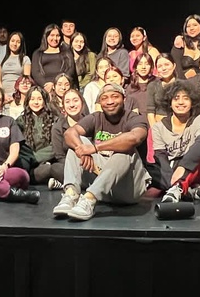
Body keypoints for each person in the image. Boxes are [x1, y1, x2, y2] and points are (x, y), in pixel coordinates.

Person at [52, 83, 150, 221]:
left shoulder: (135, 118)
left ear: (124, 99)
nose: (110, 101)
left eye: (114, 97)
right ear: (100, 102)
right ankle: (71, 194)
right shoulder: (96, 117)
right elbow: (70, 132)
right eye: (104, 98)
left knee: (124, 151)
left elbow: (134, 138)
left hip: (128, 188)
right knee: (78, 144)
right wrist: (83, 150)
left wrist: (95, 148)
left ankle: (89, 199)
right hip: (103, 185)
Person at [152, 80, 200, 203]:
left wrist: (183, 168)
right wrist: (171, 179)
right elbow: (160, 157)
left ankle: (178, 190)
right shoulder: (158, 127)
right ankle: (188, 191)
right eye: (176, 98)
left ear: (192, 102)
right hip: (172, 169)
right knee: (153, 169)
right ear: (169, 103)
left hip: (196, 168)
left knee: (196, 158)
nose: (180, 102)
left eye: (185, 98)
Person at [48, 87, 89, 190]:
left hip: (90, 164)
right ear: (63, 106)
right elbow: (59, 156)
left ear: (82, 103)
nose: (72, 105)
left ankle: (65, 184)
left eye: (75, 100)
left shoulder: (91, 121)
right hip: (69, 166)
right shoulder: (58, 127)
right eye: (67, 101)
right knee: (55, 168)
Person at [16, 85, 59, 185]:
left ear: (45, 101)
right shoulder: (21, 120)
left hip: (47, 162)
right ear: (27, 101)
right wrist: (29, 158)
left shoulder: (54, 119)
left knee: (49, 168)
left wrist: (36, 158)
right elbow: (17, 144)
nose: (36, 102)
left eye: (39, 99)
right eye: (32, 99)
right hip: (27, 162)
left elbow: (55, 146)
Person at [30, 24, 77, 92]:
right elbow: (36, 73)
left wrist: (56, 84)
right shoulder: (37, 53)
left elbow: (70, 70)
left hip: (62, 87)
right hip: (44, 89)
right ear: (46, 36)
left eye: (57, 36)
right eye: (52, 35)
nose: (55, 38)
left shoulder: (67, 52)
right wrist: (46, 85)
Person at [170, 14, 200, 79]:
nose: (191, 28)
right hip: (182, 84)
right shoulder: (180, 44)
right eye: (188, 26)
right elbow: (176, 70)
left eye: (195, 25)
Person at [0, 31, 31, 104]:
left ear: (21, 44)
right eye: (12, 41)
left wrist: (17, 95)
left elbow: (26, 81)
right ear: (8, 42)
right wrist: (3, 94)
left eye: (18, 42)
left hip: (18, 95)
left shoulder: (25, 59)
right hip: (3, 95)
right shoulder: (1, 58)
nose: (15, 44)